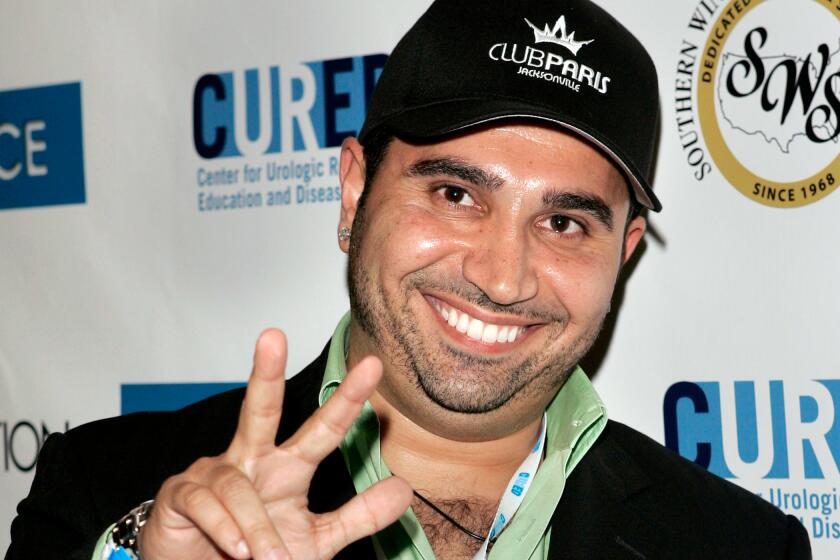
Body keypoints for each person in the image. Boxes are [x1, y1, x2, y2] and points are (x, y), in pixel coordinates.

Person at [7, 0, 812, 559]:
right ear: (355, 191)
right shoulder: (111, 486)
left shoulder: (740, 543)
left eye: (564, 222)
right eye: (456, 194)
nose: (502, 277)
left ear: (625, 251)